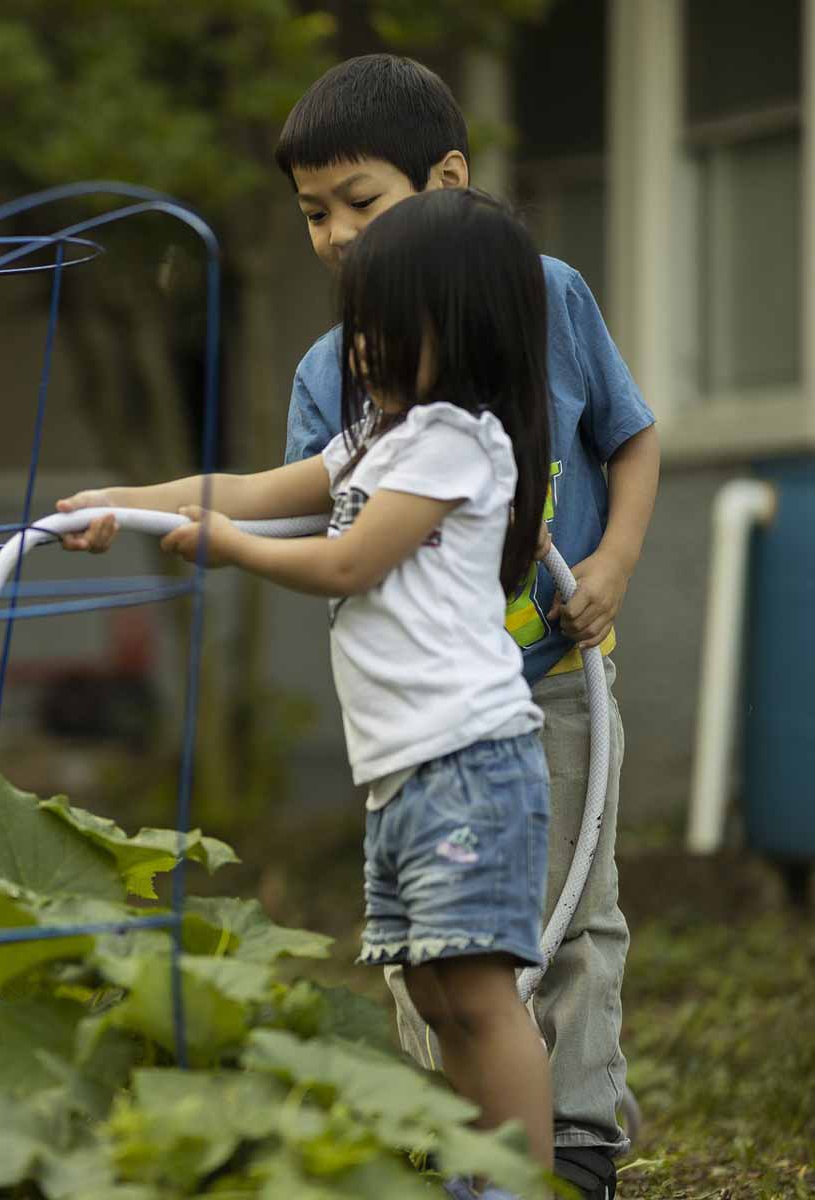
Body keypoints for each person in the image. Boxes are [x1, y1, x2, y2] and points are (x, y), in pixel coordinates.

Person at [60, 187, 557, 1195]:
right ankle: (472, 1175)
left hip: (469, 762)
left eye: (387, 327)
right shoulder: (371, 442)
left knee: (481, 994)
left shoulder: (460, 439)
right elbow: (239, 490)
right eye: (358, 326)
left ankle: (525, 1186)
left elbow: (345, 564)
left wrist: (232, 551)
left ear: (463, 327)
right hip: (404, 774)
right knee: (432, 992)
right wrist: (121, 502)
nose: (363, 348)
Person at [271, 55, 660, 1200]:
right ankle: (458, 1134)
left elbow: (632, 440)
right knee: (430, 934)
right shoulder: (329, 371)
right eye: (312, 215)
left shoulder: (553, 301)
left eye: (362, 203)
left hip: (554, 676)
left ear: (448, 179)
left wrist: (614, 562)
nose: (338, 235)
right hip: (429, 715)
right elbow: (320, 520)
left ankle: (576, 1137)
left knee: (574, 911)